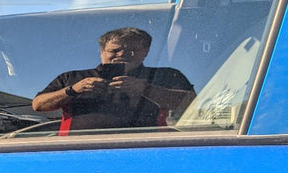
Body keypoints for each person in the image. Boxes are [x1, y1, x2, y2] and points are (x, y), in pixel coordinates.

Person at [32, 27, 195, 134]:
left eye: (132, 50)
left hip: (147, 148)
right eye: (115, 50)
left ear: (146, 52)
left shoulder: (164, 75)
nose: (122, 54)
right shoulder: (73, 78)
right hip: (76, 150)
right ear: (102, 52)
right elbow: (38, 105)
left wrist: (144, 88)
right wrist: (73, 90)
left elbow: (192, 105)